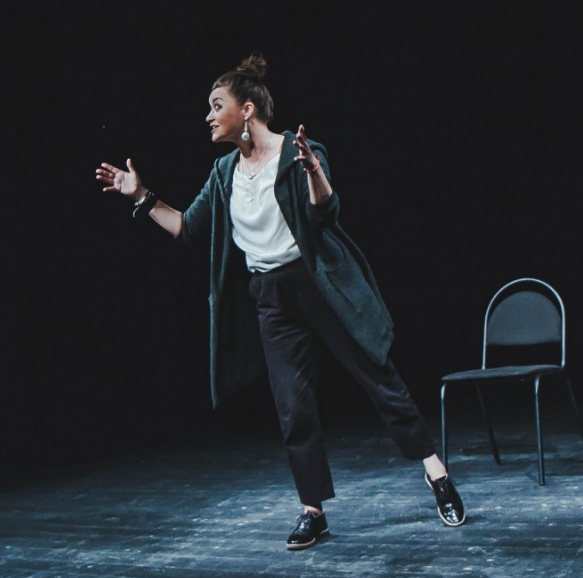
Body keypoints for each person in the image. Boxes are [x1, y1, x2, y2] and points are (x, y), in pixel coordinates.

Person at [95, 52, 464, 550]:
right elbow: (186, 228)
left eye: (217, 105)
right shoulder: (224, 172)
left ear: (246, 109)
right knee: (293, 406)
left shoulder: (298, 150)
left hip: (319, 284)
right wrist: (142, 196)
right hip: (270, 295)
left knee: (377, 377)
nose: (208, 116)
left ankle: (436, 471)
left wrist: (314, 171)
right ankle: (314, 510)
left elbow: (326, 213)